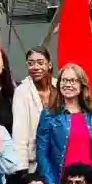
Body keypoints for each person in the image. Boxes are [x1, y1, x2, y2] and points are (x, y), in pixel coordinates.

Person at [35, 64, 92, 184]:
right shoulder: (49, 115)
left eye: (73, 81)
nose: (68, 84)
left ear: (82, 85)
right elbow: (42, 154)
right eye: (64, 80)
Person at [12, 46, 57, 174]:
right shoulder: (22, 91)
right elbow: (19, 132)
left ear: (49, 64)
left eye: (40, 63)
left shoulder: (59, 87)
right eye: (30, 63)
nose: (35, 67)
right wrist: (22, 169)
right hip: (34, 164)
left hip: (59, 157)